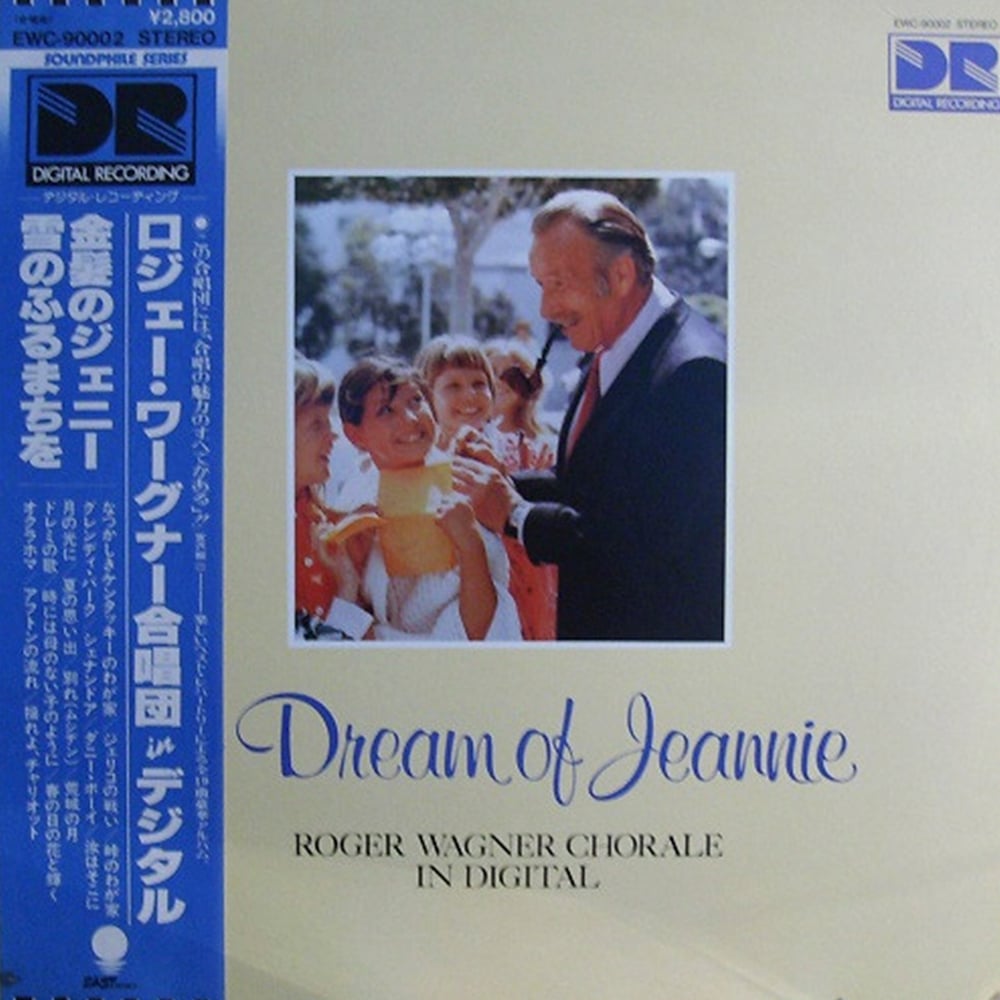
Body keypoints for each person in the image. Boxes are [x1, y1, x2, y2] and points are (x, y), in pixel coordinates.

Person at [455, 189, 727, 641]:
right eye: (541, 286)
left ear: (621, 274)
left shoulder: (695, 375)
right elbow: (591, 482)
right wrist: (501, 477)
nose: (546, 309)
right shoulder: (611, 349)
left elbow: (641, 548)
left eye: (559, 284)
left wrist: (514, 514)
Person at [337, 355, 519, 642]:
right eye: (386, 411)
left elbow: (481, 631)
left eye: (415, 401)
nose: (411, 419)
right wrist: (353, 564)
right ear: (354, 434)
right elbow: (347, 624)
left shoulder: (468, 482)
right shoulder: (352, 503)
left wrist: (469, 543)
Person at [293, 353, 374, 641]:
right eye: (317, 425)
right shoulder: (258, 535)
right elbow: (316, 652)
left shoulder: (324, 522)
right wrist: (347, 587)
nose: (333, 435)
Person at [484, 338, 559, 640]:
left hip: (537, 565)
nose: (501, 382)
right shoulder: (473, 442)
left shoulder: (547, 445)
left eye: (510, 373)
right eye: (492, 373)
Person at [415, 334, 496, 450]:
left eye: (478, 384)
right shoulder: (416, 457)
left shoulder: (510, 451)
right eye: (454, 386)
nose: (470, 395)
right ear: (427, 396)